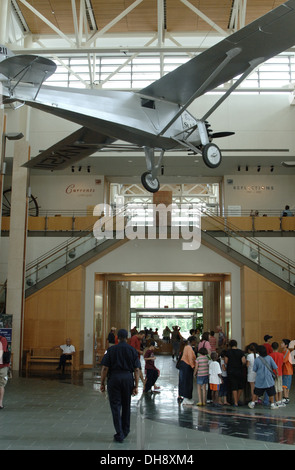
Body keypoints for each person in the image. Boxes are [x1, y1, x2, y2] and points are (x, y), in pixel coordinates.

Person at [100, 328, 140, 443]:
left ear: (117, 337)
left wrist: (102, 383)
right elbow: (136, 370)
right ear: (127, 338)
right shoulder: (132, 350)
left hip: (114, 379)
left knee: (115, 406)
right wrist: (136, 385)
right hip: (127, 378)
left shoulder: (111, 350)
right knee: (126, 405)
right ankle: (126, 430)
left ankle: (119, 433)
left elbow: (105, 368)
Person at [248, 345, 278, 409]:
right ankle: (272, 404)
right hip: (268, 379)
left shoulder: (257, 360)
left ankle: (252, 403)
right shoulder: (269, 358)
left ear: (259, 352)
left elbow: (255, 369)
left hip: (260, 379)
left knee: (256, 392)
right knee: (271, 392)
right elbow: (275, 367)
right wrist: (277, 374)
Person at [225, 339, 246, 407]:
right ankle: (236, 399)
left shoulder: (228, 352)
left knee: (234, 386)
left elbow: (226, 362)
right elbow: (243, 361)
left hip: (231, 371)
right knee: (240, 386)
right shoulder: (241, 352)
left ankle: (235, 402)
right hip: (239, 370)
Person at [178, 336, 196, 405]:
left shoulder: (187, 347)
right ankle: (185, 398)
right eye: (195, 341)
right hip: (186, 366)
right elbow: (190, 358)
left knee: (185, 381)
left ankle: (186, 398)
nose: (196, 342)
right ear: (192, 341)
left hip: (185, 365)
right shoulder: (188, 348)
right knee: (186, 382)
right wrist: (193, 367)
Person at [270, 342, 284, 407]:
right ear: (278, 347)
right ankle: (279, 401)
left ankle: (276, 400)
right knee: (280, 387)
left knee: (274, 387)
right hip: (280, 372)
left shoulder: (270, 355)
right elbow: (282, 363)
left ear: (272, 347)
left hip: (273, 373)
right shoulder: (281, 355)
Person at [281, 338, 293, 404]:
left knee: (286, 385)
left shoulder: (287, 352)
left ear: (286, 345)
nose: (281, 344)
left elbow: (284, 360)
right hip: (284, 370)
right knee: (284, 384)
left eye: (282, 343)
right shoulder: (283, 351)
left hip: (287, 370)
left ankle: (286, 397)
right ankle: (285, 397)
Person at [0, 335, 10, 409]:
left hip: (2, 366)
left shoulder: (2, 339)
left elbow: (2, 352)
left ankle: (0, 403)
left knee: (1, 384)